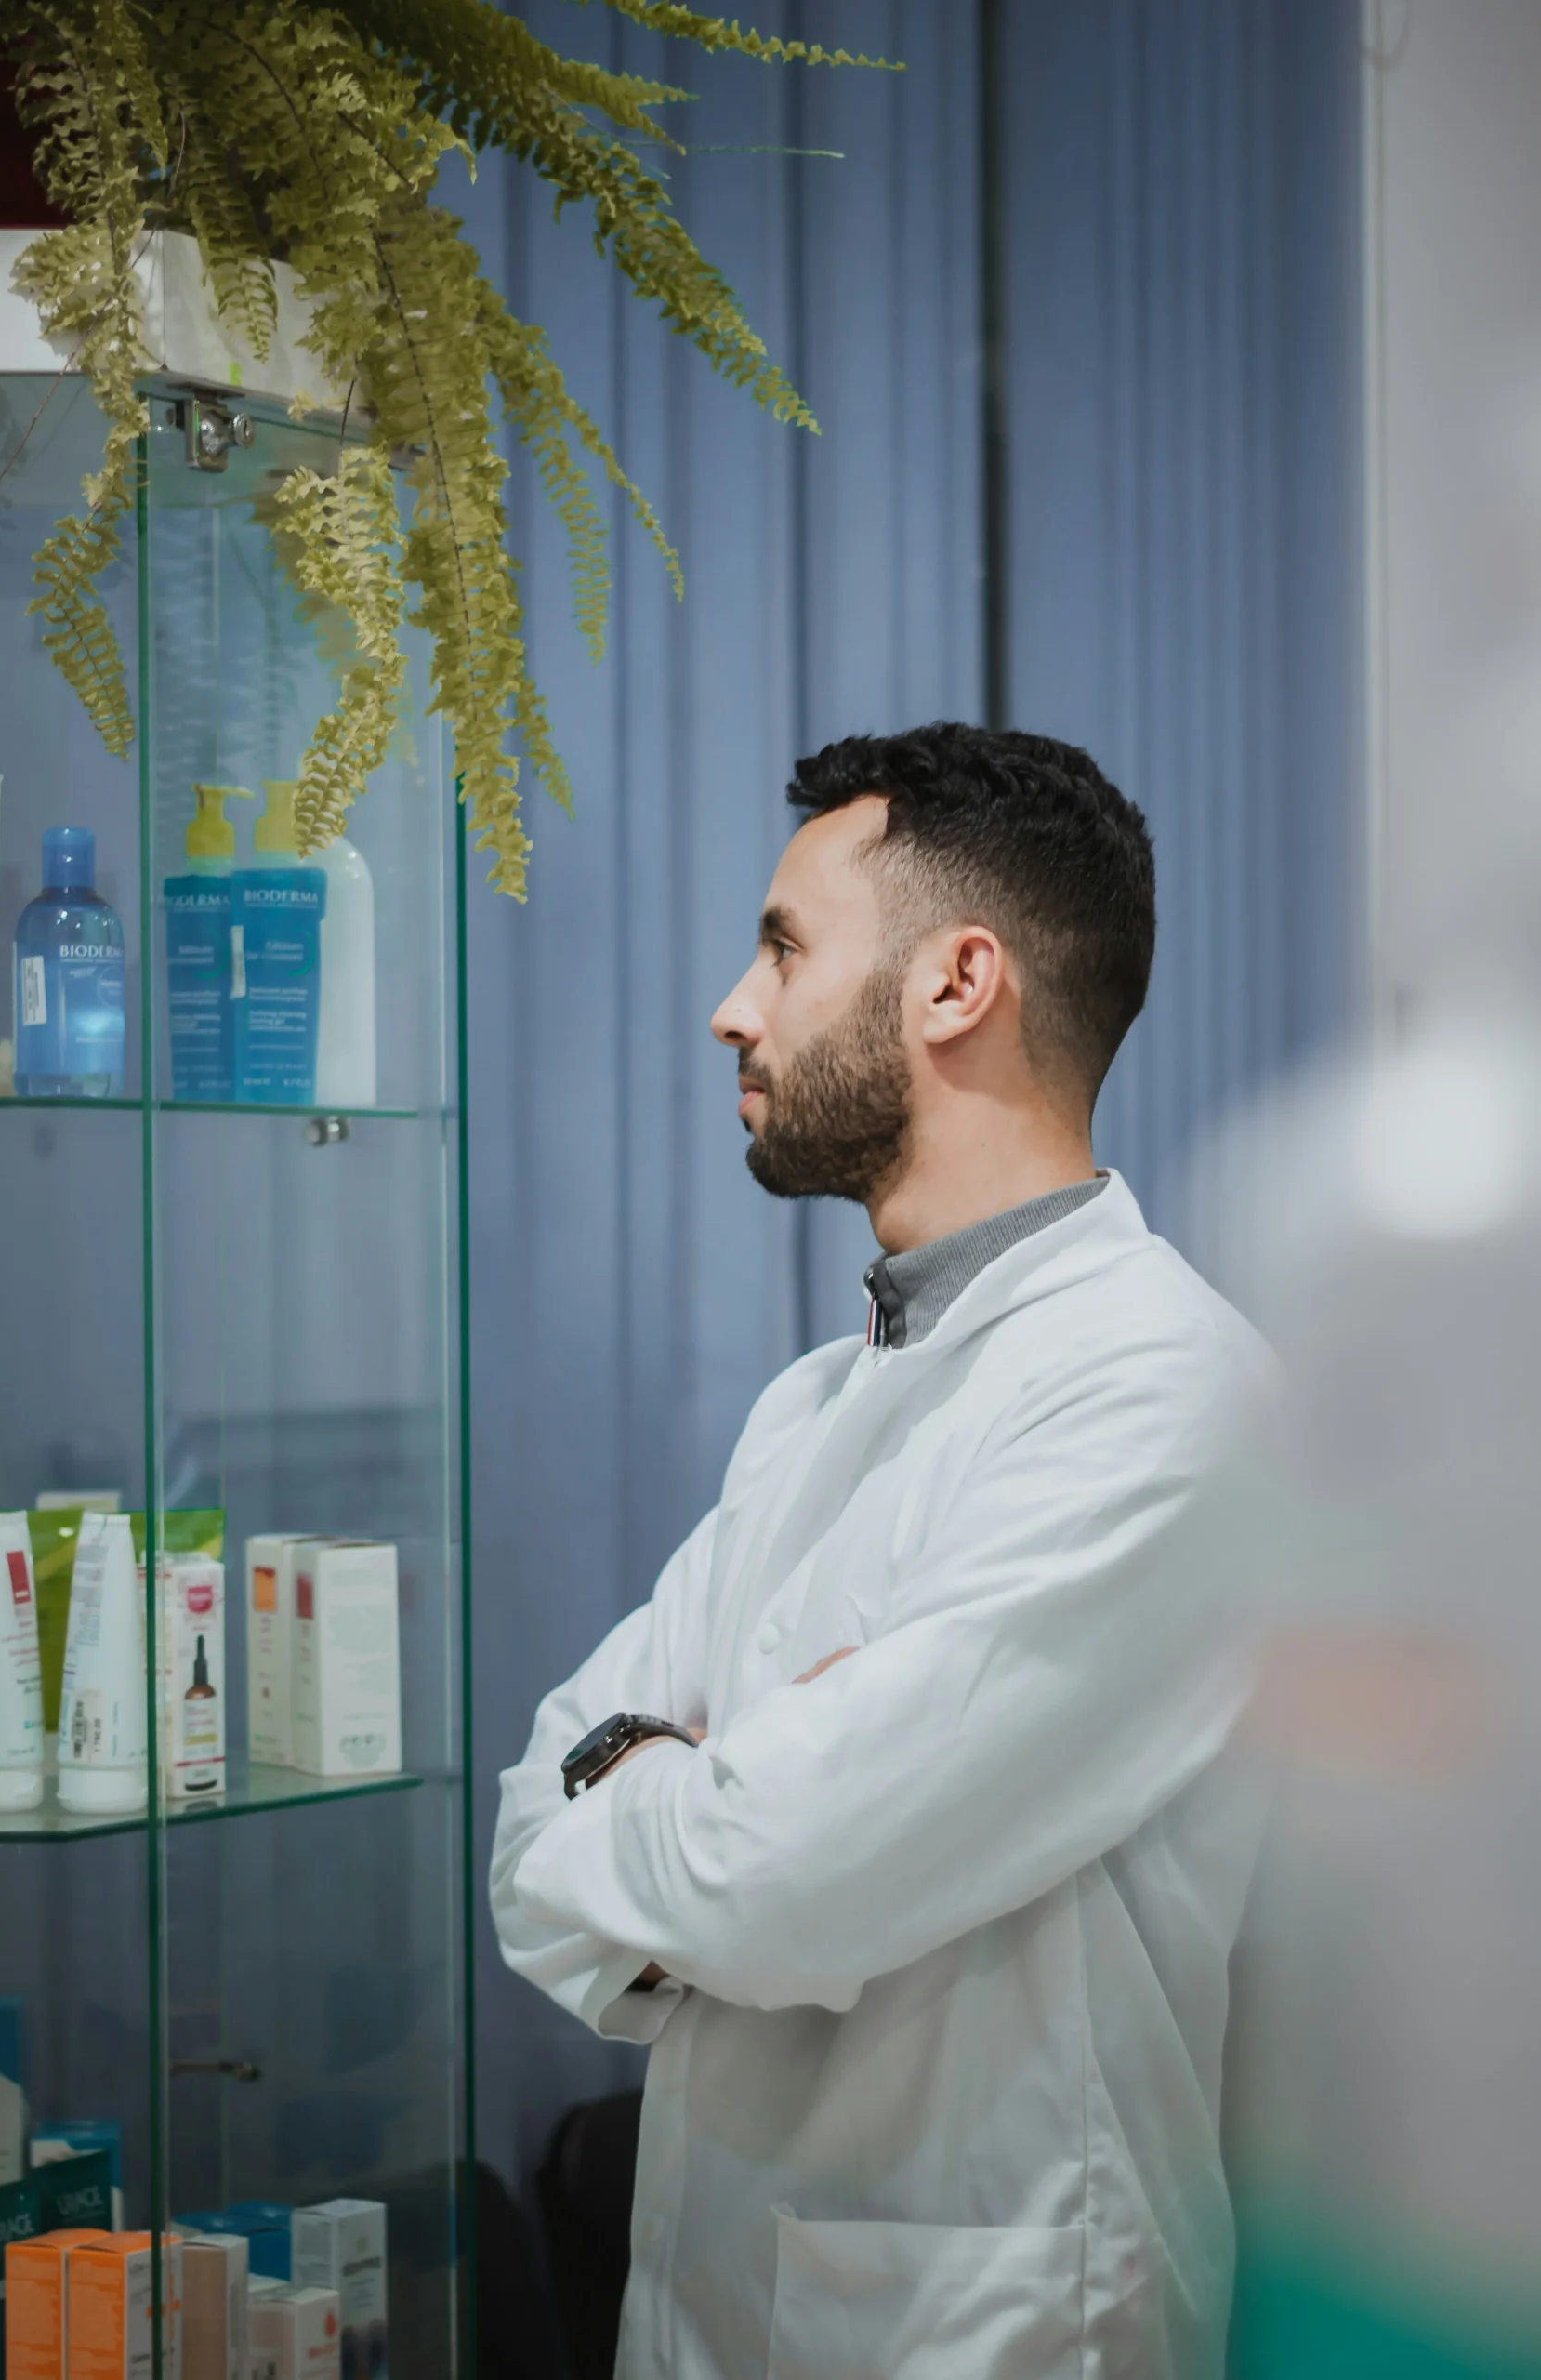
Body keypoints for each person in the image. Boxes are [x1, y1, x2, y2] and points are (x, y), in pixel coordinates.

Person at [492, 722, 1272, 2380]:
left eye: (782, 947)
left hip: (988, 2326)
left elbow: (767, 1878)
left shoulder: (1165, 1392)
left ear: (953, 984)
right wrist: (704, 1781)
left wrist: (688, 1789)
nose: (734, 1006)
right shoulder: (819, 1402)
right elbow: (526, 1845)